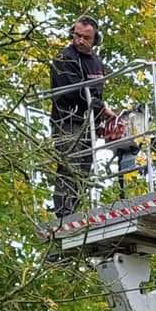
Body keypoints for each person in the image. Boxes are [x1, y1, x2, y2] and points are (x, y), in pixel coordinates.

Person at [50, 15, 116, 219]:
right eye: (77, 35)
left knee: (84, 170)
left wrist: (101, 114)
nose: (80, 40)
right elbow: (72, 91)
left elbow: (96, 93)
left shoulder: (96, 62)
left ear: (95, 40)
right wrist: (101, 108)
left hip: (89, 124)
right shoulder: (64, 58)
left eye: (86, 37)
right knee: (70, 167)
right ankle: (64, 216)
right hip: (67, 121)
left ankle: (74, 211)